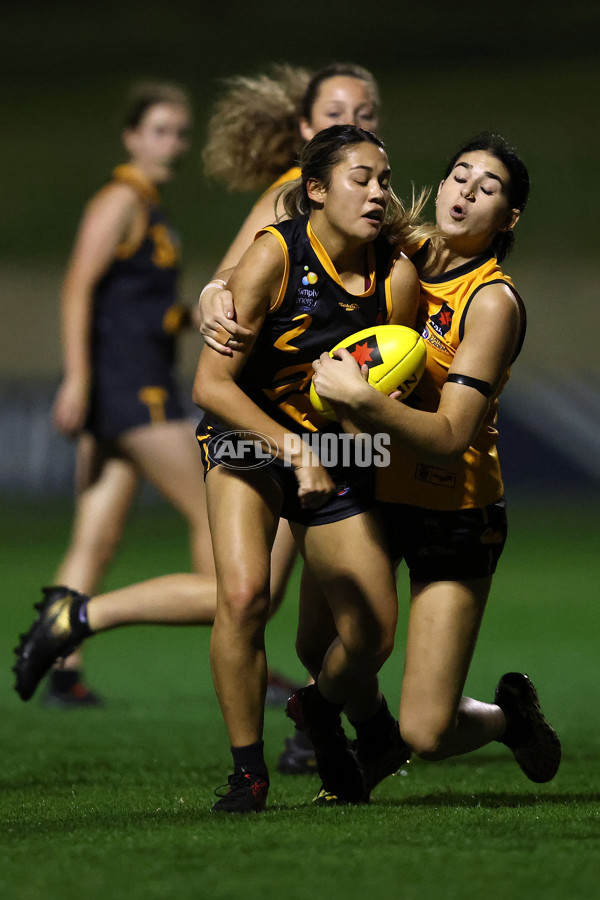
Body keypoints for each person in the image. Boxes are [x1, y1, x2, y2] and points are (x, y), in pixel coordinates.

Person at [13, 64, 385, 720]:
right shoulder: (296, 194)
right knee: (247, 591)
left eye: (367, 110)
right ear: (304, 129)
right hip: (242, 417)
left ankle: (69, 645)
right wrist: (215, 296)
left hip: (303, 424)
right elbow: (223, 281)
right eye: (334, 111)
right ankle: (97, 624)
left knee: (100, 542)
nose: (352, 121)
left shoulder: (368, 202)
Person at [305, 132, 561, 795]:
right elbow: (300, 211)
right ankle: (367, 734)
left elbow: (450, 436)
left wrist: (363, 399)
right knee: (319, 644)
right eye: (459, 175)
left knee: (430, 731)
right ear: (440, 187)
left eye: (490, 187)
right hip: (371, 491)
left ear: (507, 219)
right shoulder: (396, 245)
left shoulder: (492, 302)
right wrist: (223, 287)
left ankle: (509, 719)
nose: (468, 191)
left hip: (456, 511)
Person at [192, 123, 432, 813]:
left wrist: (354, 425)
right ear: (317, 190)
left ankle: (325, 709)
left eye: (384, 179)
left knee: (372, 635)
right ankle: (248, 773)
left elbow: (383, 395)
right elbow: (210, 385)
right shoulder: (275, 254)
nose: (379, 192)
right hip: (248, 443)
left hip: (336, 453)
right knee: (242, 597)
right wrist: (291, 447)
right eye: (362, 178)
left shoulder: (397, 277)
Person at [38, 81, 217, 707]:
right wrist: (79, 377)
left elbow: (132, 299)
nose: (173, 142)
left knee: (95, 539)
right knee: (213, 511)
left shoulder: (148, 202)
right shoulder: (117, 199)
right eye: (160, 129)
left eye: (179, 131)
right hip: (130, 390)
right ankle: (235, 639)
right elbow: (76, 289)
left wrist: (184, 316)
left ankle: (61, 667)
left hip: (130, 384)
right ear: (132, 135)